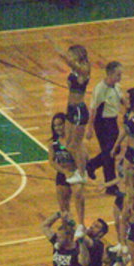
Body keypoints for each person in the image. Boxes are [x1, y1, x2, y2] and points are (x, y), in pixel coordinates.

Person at [46, 35, 91, 192]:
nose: (70, 57)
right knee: (70, 144)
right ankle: (82, 167)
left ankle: (82, 173)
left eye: (72, 55)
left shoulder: (84, 70)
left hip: (79, 110)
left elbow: (70, 62)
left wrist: (56, 47)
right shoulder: (75, 69)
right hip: (71, 109)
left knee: (75, 144)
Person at [86, 61, 124, 194]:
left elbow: (121, 99)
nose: (120, 77)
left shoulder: (117, 87)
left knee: (114, 150)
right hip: (102, 123)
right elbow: (93, 109)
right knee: (110, 153)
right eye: (118, 75)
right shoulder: (100, 89)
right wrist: (90, 128)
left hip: (113, 121)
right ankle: (111, 186)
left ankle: (91, 165)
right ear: (110, 74)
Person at [47, 112, 85, 226]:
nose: (58, 128)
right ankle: (66, 228)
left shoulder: (73, 141)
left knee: (79, 198)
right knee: (63, 206)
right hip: (62, 174)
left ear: (66, 125)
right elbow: (52, 161)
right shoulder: (53, 143)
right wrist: (64, 172)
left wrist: (80, 172)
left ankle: (81, 224)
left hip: (75, 174)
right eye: (55, 125)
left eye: (60, 124)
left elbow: (83, 157)